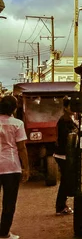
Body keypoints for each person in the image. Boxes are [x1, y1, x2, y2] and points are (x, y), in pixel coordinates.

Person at [0, 95, 29, 239]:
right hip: (11, 166)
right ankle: (4, 232)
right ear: (13, 108)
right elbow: (22, 148)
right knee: (9, 202)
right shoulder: (17, 124)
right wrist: (27, 167)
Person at [54, 96, 78, 215]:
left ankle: (61, 205)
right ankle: (60, 206)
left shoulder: (70, 118)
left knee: (65, 180)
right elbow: (66, 138)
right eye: (71, 106)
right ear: (65, 107)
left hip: (64, 154)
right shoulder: (64, 120)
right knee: (65, 181)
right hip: (63, 154)